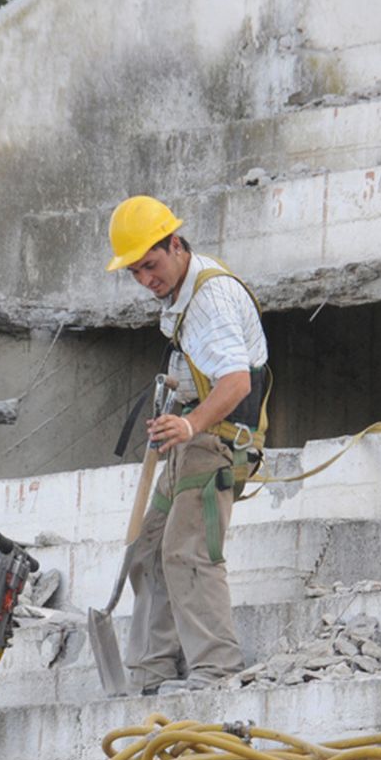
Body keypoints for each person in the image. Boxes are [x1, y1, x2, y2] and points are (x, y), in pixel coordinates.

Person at [105, 195, 270, 694]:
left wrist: (191, 424)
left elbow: (236, 382)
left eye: (151, 265)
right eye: (134, 272)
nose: (145, 280)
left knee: (187, 550)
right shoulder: (182, 290)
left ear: (175, 244)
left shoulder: (209, 301)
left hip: (218, 442)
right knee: (149, 549)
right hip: (191, 437)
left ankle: (215, 670)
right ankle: (152, 671)